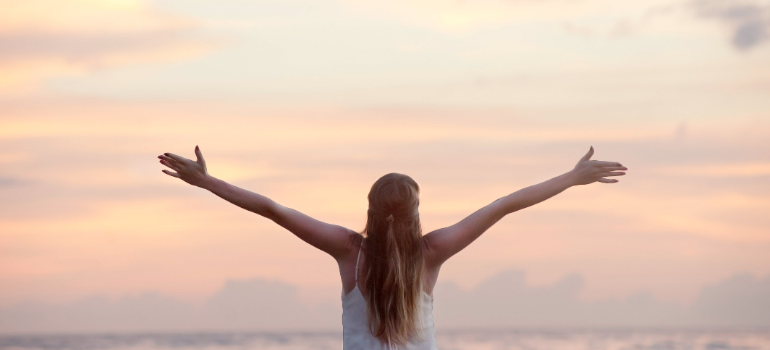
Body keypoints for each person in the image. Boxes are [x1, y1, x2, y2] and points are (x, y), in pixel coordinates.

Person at [158, 146, 626, 349]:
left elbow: (271, 208)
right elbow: (505, 205)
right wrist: (572, 177)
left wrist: (206, 181)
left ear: (370, 205)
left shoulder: (347, 250)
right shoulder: (433, 250)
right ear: (416, 211)